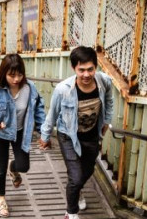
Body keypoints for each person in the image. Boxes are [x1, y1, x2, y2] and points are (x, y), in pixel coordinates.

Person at [39, 46, 113, 219]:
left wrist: (107, 121)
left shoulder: (104, 82)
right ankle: (71, 213)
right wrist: (45, 135)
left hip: (92, 135)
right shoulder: (63, 89)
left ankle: (77, 190)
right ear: (74, 68)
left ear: (96, 67)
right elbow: (53, 113)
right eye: (81, 70)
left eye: (90, 69)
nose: (86, 74)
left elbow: (109, 100)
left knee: (86, 172)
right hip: (68, 136)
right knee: (76, 176)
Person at [0, 54, 46, 217]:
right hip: (0, 133)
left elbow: (39, 110)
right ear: (4, 73)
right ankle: (0, 199)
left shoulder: (30, 88)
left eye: (19, 75)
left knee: (24, 166)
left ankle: (13, 168)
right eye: (11, 75)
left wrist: (44, 132)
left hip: (22, 131)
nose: (16, 79)